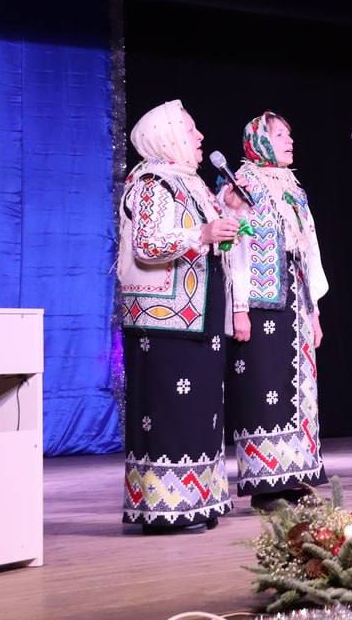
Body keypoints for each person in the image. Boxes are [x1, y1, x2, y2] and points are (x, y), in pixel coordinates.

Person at [117, 100, 238, 532]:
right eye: (190, 129)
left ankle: (198, 500)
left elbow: (205, 238)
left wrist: (226, 219)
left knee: (201, 409)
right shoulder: (152, 182)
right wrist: (202, 233)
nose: (200, 136)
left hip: (198, 312)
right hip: (164, 320)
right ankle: (165, 507)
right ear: (167, 136)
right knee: (169, 411)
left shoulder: (190, 183)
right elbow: (148, 244)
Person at [225, 112, 329, 509]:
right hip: (259, 300)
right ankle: (266, 484)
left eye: (289, 134)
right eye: (280, 135)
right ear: (260, 141)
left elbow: (309, 248)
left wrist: (314, 310)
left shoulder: (293, 189)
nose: (290, 141)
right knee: (263, 386)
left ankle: (297, 477)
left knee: (299, 390)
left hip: (296, 298)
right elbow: (233, 249)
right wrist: (238, 308)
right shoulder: (241, 185)